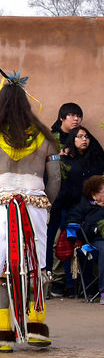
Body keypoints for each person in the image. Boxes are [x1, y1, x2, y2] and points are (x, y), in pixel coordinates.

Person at [0, 69, 60, 353]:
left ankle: (2, 333)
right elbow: (55, 178)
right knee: (37, 265)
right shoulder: (45, 137)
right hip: (35, 205)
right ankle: (37, 328)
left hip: (0, 206)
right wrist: (46, 205)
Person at [50, 125, 104, 297]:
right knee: (60, 242)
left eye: (86, 136)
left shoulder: (96, 160)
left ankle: (89, 284)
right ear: (72, 140)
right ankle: (60, 282)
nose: (84, 139)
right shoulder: (65, 160)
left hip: (91, 208)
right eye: (79, 136)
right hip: (67, 207)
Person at [66, 175, 104, 303]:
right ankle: (103, 291)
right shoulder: (85, 207)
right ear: (94, 195)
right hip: (96, 241)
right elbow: (73, 222)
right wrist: (93, 229)